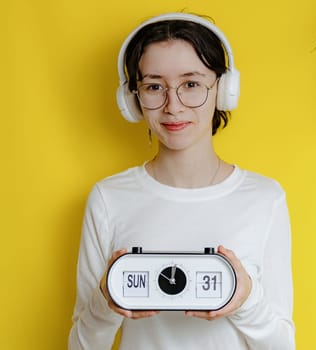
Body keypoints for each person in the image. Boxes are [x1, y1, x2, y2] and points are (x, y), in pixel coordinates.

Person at [68, 12, 295, 350]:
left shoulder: (265, 198)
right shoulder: (108, 198)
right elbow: (81, 346)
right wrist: (107, 299)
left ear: (223, 89)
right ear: (133, 99)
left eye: (191, 84)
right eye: (154, 86)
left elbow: (282, 345)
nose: (173, 106)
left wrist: (246, 298)